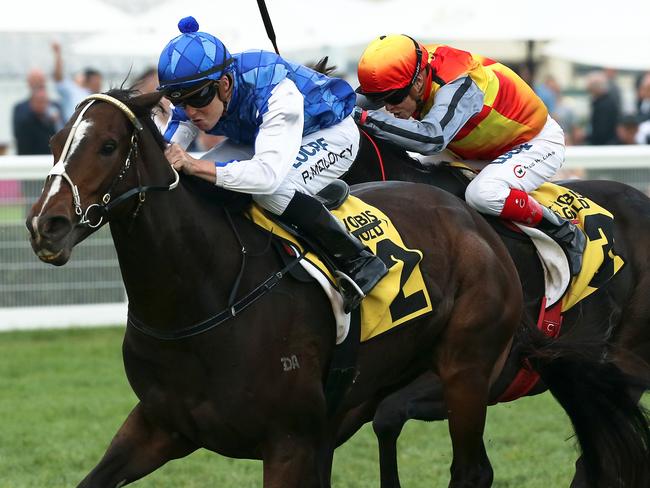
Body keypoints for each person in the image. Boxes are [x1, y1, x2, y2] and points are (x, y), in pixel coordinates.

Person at [158, 16, 387, 310]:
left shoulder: (276, 91)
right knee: (192, 182)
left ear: (224, 84)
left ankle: (358, 260)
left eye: (197, 100)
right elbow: (166, 151)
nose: (189, 112)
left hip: (330, 133)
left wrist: (193, 164)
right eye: (179, 102)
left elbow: (266, 176)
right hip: (259, 136)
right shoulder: (198, 92)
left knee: (270, 190)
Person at [353, 34, 585, 275]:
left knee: (483, 194)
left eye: (393, 98)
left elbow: (431, 138)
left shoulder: (460, 83)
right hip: (469, 147)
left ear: (419, 82)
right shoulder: (407, 68)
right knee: (408, 181)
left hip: (532, 141)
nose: (389, 108)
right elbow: (351, 102)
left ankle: (562, 230)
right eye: (380, 99)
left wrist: (364, 117)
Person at [52, 42, 103, 120]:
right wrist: (58, 54)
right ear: (87, 81)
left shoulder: (99, 99)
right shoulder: (73, 90)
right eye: (96, 82)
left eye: (99, 82)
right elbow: (58, 78)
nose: (99, 85)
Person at [585, 70, 620, 145]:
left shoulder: (604, 105)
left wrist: (585, 137)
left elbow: (601, 132)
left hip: (604, 145)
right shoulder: (603, 102)